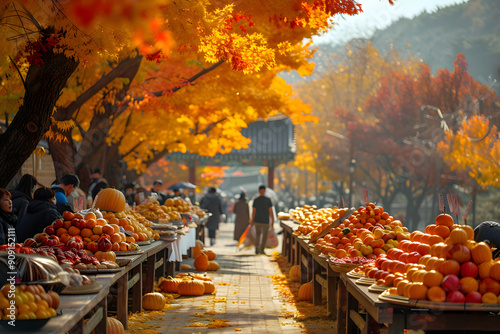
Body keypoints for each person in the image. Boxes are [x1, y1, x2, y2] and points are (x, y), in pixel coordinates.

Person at [250, 185, 274, 255]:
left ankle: (257, 249)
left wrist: (252, 221)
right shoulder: (268, 200)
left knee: (257, 235)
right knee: (264, 236)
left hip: (257, 220)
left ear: (259, 190)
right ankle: (262, 249)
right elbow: (270, 211)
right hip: (265, 221)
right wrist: (272, 220)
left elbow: (254, 211)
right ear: (264, 190)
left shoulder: (256, 200)